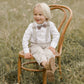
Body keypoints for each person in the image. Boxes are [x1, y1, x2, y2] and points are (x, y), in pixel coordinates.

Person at [22, 3, 60, 81]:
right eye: (35, 14)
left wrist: (53, 46)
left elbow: (56, 35)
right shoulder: (31, 26)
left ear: (46, 15)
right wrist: (26, 51)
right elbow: (25, 39)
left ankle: (49, 68)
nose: (37, 17)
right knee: (38, 52)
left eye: (40, 14)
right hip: (35, 45)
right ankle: (46, 65)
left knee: (49, 53)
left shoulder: (50, 25)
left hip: (47, 45)